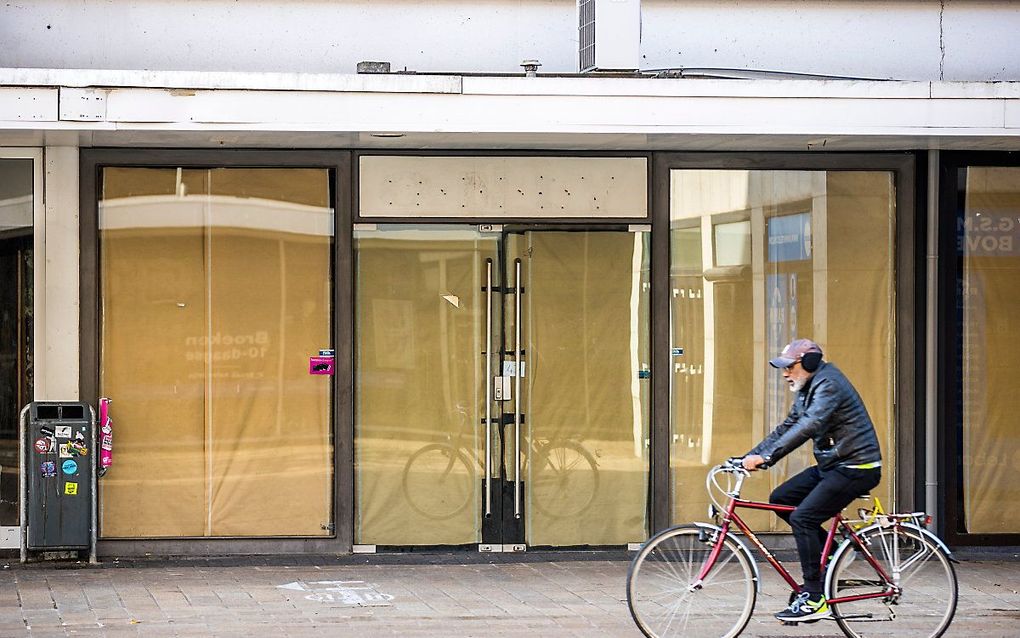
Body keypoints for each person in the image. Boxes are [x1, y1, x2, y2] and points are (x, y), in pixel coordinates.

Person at [741, 338, 882, 623]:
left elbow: (810, 425)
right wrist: (749, 456)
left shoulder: (828, 385)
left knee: (803, 518)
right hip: (834, 466)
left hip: (857, 467)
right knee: (781, 500)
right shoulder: (807, 388)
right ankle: (829, 556)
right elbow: (790, 425)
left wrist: (768, 459)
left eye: (789, 367)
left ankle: (815, 598)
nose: (784, 374)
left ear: (809, 363)